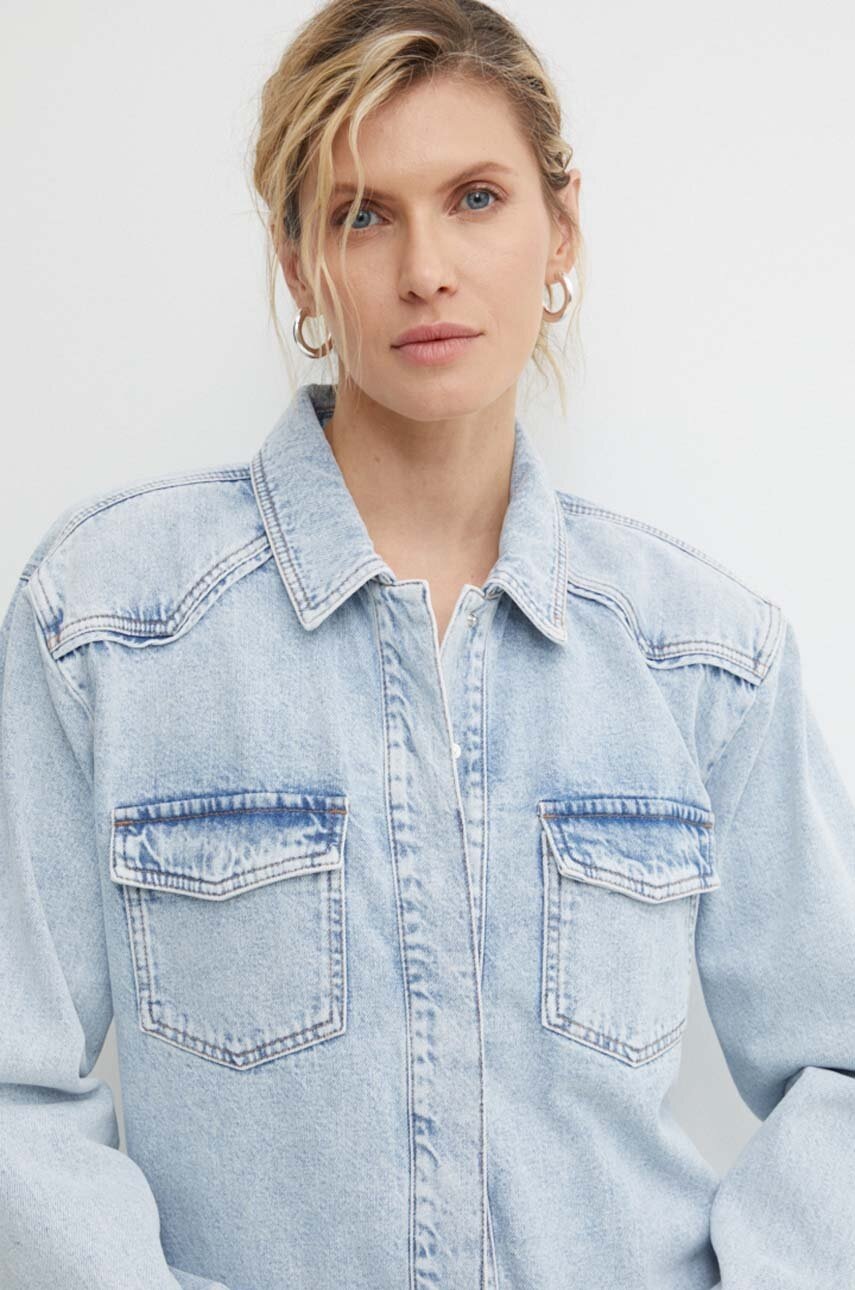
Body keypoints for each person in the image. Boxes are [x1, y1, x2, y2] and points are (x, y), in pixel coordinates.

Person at [1, 1, 853, 1287]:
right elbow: (15, 1085)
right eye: (362, 215)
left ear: (561, 228)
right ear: (298, 263)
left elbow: (838, 1062)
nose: (426, 270)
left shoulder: (706, 659)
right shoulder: (106, 625)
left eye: (476, 199)